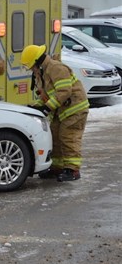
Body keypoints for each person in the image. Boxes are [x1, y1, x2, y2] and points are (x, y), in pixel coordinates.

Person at [20, 45, 89, 182]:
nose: (31, 69)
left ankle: (72, 170)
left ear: (37, 61)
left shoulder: (56, 68)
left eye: (32, 66)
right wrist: (37, 107)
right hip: (61, 111)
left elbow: (64, 91)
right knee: (55, 137)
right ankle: (56, 168)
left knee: (68, 137)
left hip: (75, 109)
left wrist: (47, 108)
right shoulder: (42, 72)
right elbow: (46, 95)